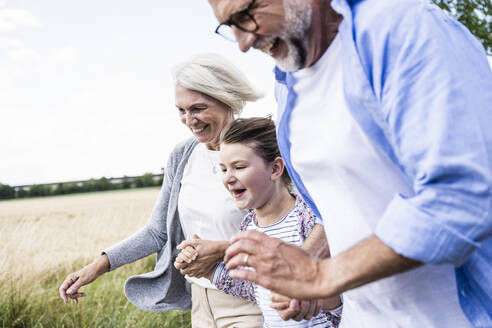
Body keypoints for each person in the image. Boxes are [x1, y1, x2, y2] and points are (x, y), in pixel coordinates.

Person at [205, 0, 492, 327]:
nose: (243, 43)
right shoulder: (288, 83)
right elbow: (345, 203)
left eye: (246, 16)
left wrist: (322, 275)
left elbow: (465, 196)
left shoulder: (403, 28)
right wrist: (307, 263)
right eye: (230, 26)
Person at [59, 53, 268, 327]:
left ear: (226, 99)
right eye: (181, 110)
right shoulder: (183, 154)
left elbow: (291, 230)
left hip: (253, 300)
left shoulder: (263, 147)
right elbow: (157, 231)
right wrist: (97, 266)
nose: (189, 119)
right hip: (200, 301)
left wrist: (221, 250)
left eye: (198, 108)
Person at [175, 117, 342, 327]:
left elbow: (342, 302)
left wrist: (311, 290)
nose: (228, 178)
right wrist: (204, 267)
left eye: (239, 167)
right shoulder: (248, 227)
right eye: (224, 169)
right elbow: (254, 289)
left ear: (275, 169)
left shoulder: (309, 221)